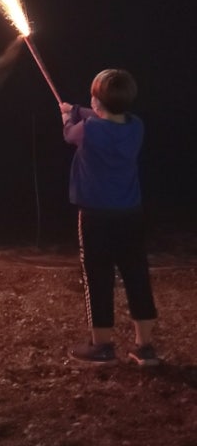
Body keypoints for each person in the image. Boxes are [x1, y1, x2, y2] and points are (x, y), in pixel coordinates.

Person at [60, 68, 159, 367]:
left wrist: (67, 117)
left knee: (98, 277)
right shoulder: (136, 125)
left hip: (95, 216)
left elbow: (69, 134)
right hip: (130, 214)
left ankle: (102, 346)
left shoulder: (87, 130)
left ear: (97, 102)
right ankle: (145, 348)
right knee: (136, 274)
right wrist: (77, 109)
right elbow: (103, 117)